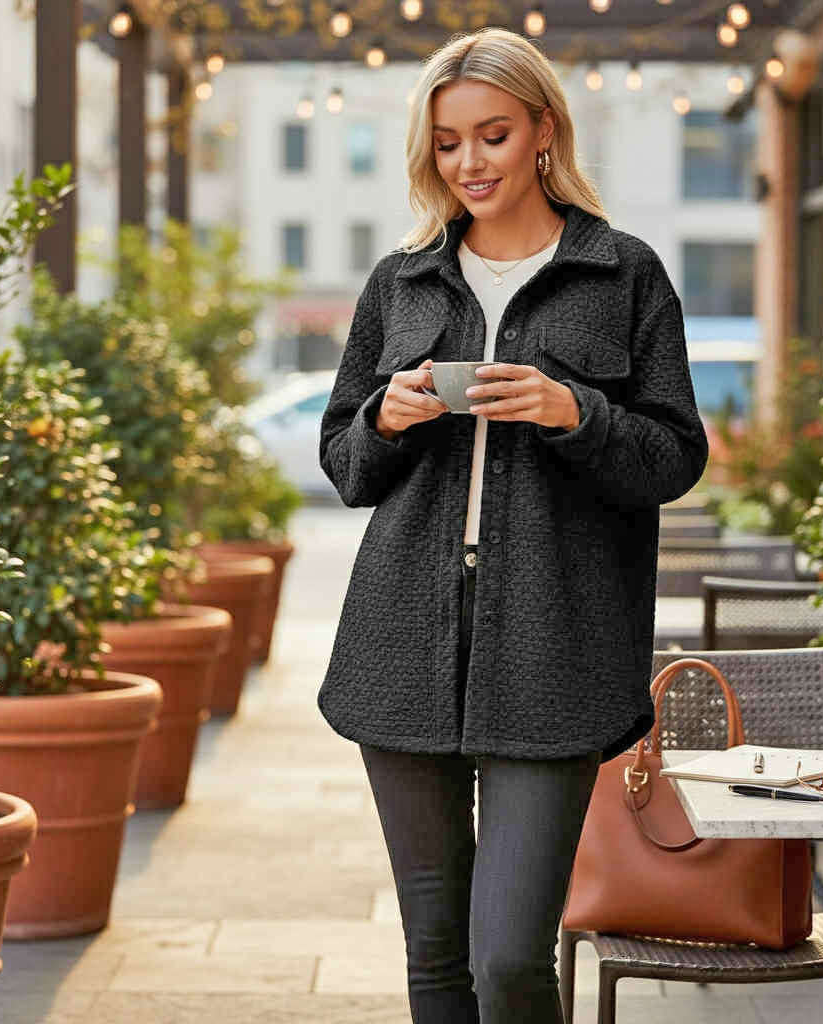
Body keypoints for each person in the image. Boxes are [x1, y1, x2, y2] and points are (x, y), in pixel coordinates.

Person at [316, 26, 709, 1024]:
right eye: (447, 143)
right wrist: (386, 417)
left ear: (541, 129)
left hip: (556, 646)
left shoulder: (622, 275)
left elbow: (673, 457)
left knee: (508, 960)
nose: (469, 162)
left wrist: (574, 413)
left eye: (491, 135)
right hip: (401, 641)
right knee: (436, 953)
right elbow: (345, 466)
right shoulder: (401, 282)